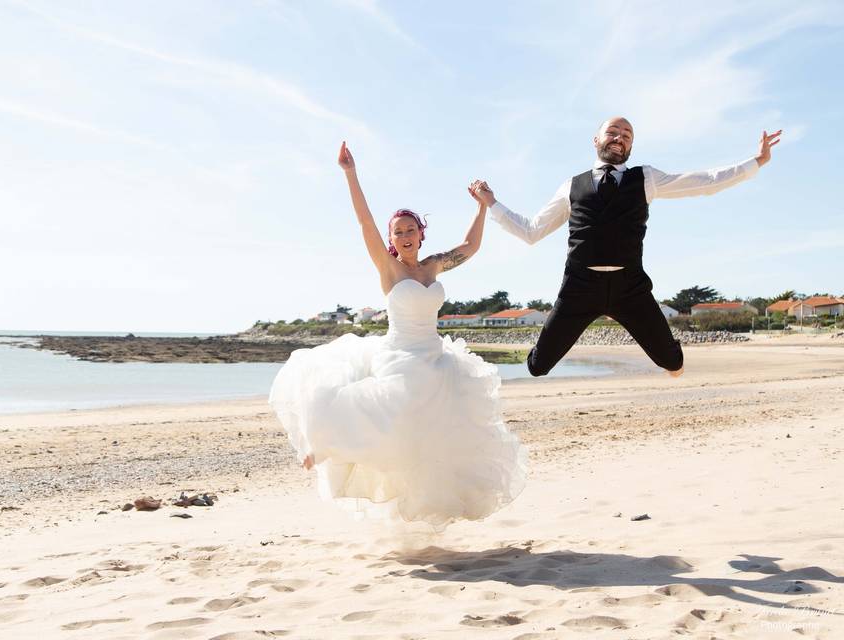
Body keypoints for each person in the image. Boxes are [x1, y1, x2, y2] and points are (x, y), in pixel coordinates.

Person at [268, 142, 525, 528]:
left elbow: (470, 247)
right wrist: (350, 173)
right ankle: (327, 445)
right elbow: (364, 223)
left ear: (421, 234)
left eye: (410, 230)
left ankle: (429, 501)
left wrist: (481, 207)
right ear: (393, 239)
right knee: (390, 408)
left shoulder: (433, 267)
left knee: (437, 436)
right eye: (398, 232)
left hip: (436, 358)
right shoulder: (389, 269)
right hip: (400, 355)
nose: (404, 235)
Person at [472, 117, 781, 377]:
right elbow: (531, 231)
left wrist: (757, 162)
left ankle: (671, 355)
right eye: (613, 132)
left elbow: (705, 181)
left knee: (673, 362)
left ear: (631, 147)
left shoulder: (646, 177)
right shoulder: (572, 186)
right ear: (596, 140)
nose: (619, 138)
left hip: (629, 286)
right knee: (537, 368)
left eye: (627, 135)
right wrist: (492, 204)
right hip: (579, 286)